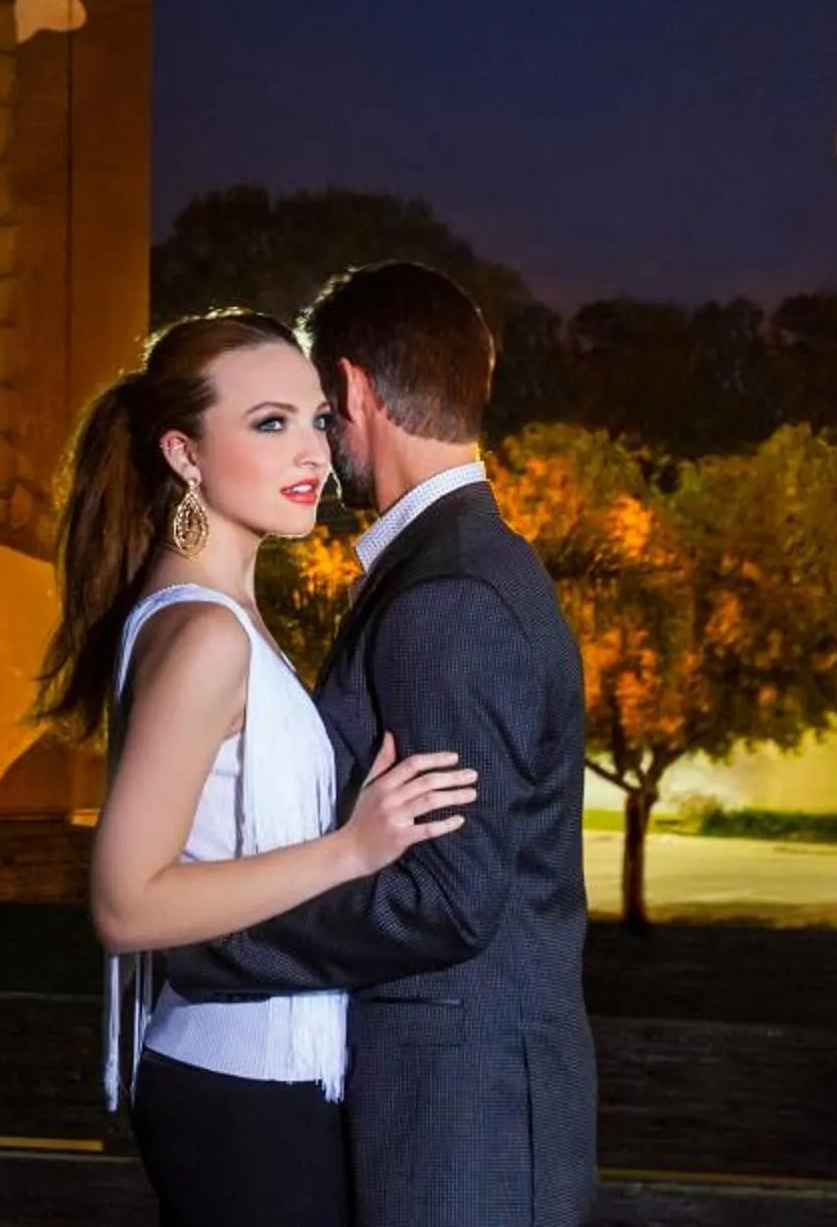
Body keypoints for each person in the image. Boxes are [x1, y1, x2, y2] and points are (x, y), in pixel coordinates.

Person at [154, 264, 600, 1227]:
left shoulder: (447, 600)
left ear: (353, 390)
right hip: (464, 1097)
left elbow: (446, 902)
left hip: (462, 1117)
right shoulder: (468, 568)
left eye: (320, 412)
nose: (317, 439)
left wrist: (212, 949)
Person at [36, 310, 482, 1227]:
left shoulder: (214, 618)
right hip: (236, 1087)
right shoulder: (201, 632)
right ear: (185, 454)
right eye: (269, 423)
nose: (311, 451)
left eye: (319, 420)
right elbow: (126, 905)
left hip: (260, 1079)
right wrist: (353, 850)